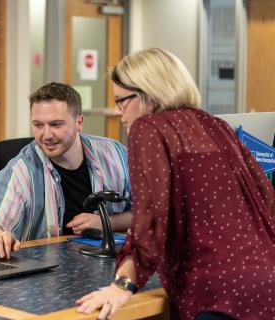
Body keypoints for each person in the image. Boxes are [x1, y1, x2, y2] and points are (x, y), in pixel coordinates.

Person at [76, 48, 275, 320]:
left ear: (148, 95)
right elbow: (265, 196)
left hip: (215, 292)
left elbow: (152, 216)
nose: (117, 112)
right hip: (265, 284)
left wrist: (122, 284)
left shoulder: (148, 128)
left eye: (121, 101)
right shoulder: (214, 124)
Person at [0, 82, 132, 259]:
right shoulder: (21, 169)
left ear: (79, 123)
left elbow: (152, 214)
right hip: (48, 272)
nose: (46, 135)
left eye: (56, 124)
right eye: (38, 125)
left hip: (111, 262)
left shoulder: (115, 154)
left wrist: (107, 223)